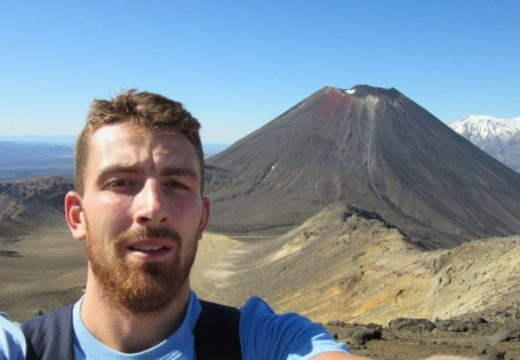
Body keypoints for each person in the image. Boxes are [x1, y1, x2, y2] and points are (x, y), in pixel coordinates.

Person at [0, 90, 474, 360]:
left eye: (177, 183)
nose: (153, 207)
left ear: (203, 217)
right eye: (122, 182)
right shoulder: (21, 350)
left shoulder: (262, 343)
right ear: (76, 216)